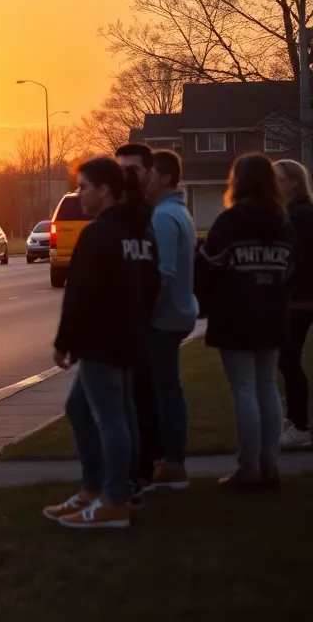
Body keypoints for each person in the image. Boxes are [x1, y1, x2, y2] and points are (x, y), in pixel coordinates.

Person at [44, 157, 158, 529]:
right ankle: (96, 491)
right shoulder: (141, 232)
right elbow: (152, 285)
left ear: (105, 190)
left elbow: (80, 292)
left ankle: (115, 500)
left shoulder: (101, 233)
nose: (80, 195)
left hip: (103, 342)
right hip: (129, 338)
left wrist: (64, 341)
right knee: (88, 410)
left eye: (84, 187)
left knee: (113, 419)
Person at [196, 153, 297, 490]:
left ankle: (248, 467)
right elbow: (290, 270)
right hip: (273, 312)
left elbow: (209, 268)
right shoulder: (283, 223)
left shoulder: (231, 221)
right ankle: (270, 465)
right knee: (267, 386)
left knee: (243, 388)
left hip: (236, 315)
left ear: (237, 181)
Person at [143, 149, 198, 488]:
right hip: (179, 312)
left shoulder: (163, 216)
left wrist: (142, 312)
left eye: (149, 174)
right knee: (166, 389)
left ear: (164, 177)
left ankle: (174, 464)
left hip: (164, 318)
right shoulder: (179, 211)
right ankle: (169, 459)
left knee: (165, 391)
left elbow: (162, 275)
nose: (145, 180)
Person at [114, 143, 160, 491]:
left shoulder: (155, 218)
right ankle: (136, 472)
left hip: (150, 327)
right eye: (121, 171)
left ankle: (124, 481)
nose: (126, 177)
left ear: (149, 172)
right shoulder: (119, 224)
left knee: (140, 400)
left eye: (132, 170)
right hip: (132, 330)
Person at [274, 158, 313, 449]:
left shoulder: (301, 215)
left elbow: (299, 260)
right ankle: (294, 419)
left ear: (294, 182)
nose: (274, 183)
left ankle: (299, 426)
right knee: (287, 359)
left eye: (279, 178)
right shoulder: (295, 213)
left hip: (301, 299)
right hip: (298, 296)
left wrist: (288, 289)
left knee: (287, 359)